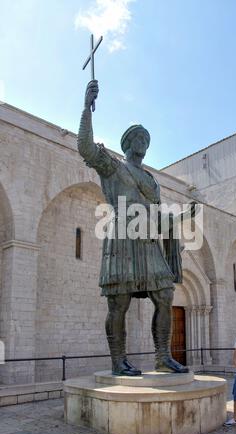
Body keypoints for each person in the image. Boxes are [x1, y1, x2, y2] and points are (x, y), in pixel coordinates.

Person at [78, 80, 192, 376]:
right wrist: (86, 108)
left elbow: (156, 216)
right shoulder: (115, 167)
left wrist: (182, 218)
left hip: (148, 241)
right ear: (126, 144)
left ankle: (162, 356)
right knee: (119, 303)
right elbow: (86, 148)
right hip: (123, 239)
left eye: (145, 138)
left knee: (165, 294)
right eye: (136, 137)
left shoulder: (153, 182)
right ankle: (118, 361)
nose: (141, 141)